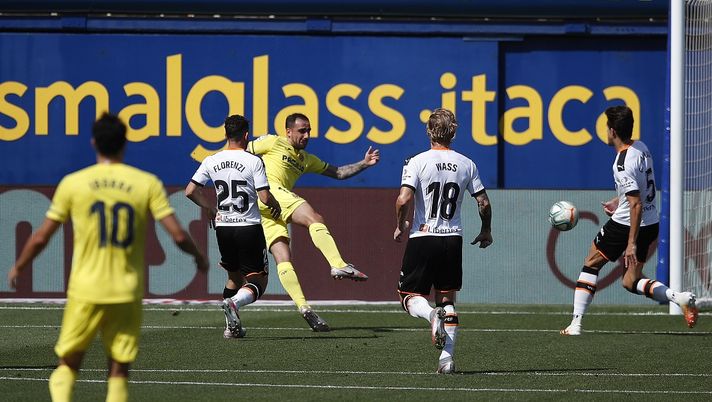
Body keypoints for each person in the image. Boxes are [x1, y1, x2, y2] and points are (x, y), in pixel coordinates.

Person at [6, 113, 208, 402]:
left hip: (85, 289)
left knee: (68, 365)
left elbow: (41, 236)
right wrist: (198, 256)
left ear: (93, 143)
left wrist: (19, 265)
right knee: (118, 369)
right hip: (126, 291)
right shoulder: (145, 183)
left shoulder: (74, 183)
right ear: (124, 143)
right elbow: (177, 235)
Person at [560, 105, 698, 336]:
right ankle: (679, 297)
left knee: (591, 262)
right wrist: (619, 200)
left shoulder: (621, 164)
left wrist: (631, 242)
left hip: (627, 224)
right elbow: (638, 192)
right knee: (630, 281)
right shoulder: (641, 148)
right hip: (651, 222)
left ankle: (576, 323)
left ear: (612, 131)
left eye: (606, 128)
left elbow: (635, 204)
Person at [247, 113, 380, 331]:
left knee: (283, 256)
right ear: (288, 131)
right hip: (269, 193)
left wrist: (364, 163)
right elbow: (242, 152)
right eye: (302, 131)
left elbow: (338, 172)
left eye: (309, 131)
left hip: (267, 210)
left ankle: (304, 308)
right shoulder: (273, 141)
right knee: (315, 218)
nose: (307, 135)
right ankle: (338, 264)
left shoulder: (306, 159)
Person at [393, 108, 493, 374]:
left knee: (408, 295)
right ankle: (446, 360)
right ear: (455, 132)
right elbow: (483, 202)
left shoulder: (417, 161)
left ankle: (429, 315)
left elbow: (403, 199)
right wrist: (486, 230)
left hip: (424, 236)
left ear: (428, 131)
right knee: (447, 300)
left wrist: (400, 223)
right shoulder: (467, 164)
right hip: (452, 239)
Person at [185, 114, 282, 339]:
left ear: (226, 135)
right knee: (259, 280)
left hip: (223, 227)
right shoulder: (253, 160)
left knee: (234, 278)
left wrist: (209, 208)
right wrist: (276, 206)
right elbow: (265, 197)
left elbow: (190, 191)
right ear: (246, 135)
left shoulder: (211, 160)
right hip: (248, 227)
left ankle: (231, 327)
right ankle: (235, 303)